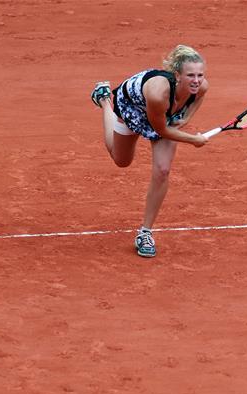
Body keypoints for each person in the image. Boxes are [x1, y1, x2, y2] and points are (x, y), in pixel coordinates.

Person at [90, 45, 209, 258]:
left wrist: (184, 120)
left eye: (200, 75)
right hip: (132, 106)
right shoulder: (158, 94)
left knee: (162, 170)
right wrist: (193, 139)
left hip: (163, 114)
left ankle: (145, 233)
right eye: (190, 75)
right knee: (121, 160)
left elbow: (195, 101)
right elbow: (160, 130)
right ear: (177, 76)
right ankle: (105, 100)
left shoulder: (201, 87)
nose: (196, 80)